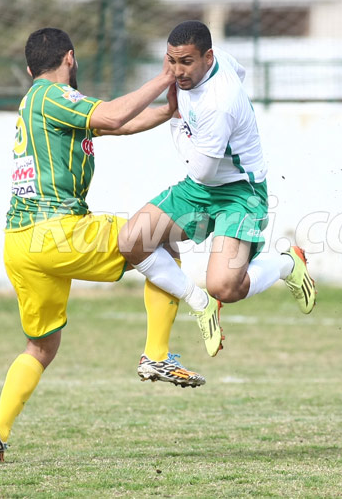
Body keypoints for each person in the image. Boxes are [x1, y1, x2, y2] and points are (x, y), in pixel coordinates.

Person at [0, 27, 216, 464]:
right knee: (157, 237)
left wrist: (167, 111)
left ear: (29, 68)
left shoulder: (40, 103)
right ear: (70, 57)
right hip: (57, 232)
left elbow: (117, 125)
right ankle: (156, 354)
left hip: (21, 243)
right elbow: (113, 115)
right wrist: (166, 78)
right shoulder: (52, 95)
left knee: (41, 347)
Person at [119, 20, 317, 358]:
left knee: (225, 286)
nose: (177, 71)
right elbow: (239, 72)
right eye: (171, 60)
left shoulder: (218, 105)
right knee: (132, 242)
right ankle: (200, 303)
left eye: (186, 62)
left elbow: (201, 169)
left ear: (207, 57)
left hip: (239, 193)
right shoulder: (219, 60)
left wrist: (177, 120)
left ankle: (288, 264)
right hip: (200, 188)